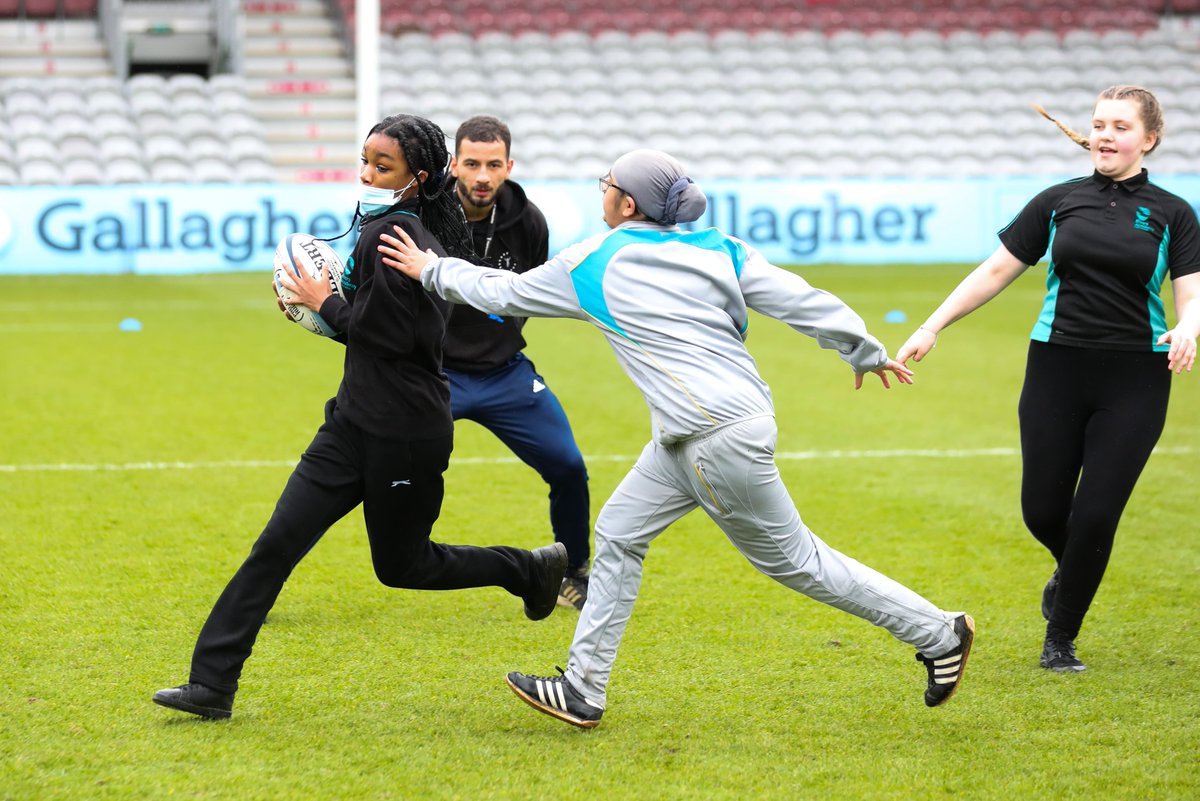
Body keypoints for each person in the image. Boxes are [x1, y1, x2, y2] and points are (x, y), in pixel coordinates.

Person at [380, 148, 975, 729]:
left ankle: (939, 633)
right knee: (617, 533)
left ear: (628, 202)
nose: (601, 190)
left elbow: (501, 294)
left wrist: (430, 268)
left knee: (799, 563)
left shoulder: (597, 258)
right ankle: (583, 690)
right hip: (701, 430)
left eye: (606, 183)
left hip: (713, 435)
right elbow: (804, 301)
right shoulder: (722, 247)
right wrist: (865, 352)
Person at [152, 114, 568, 721]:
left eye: (383, 166)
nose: (368, 174)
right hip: (350, 424)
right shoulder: (394, 227)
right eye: (366, 161)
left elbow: (397, 335)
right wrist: (325, 311)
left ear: (417, 177)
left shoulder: (401, 235)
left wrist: (325, 305)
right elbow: (376, 326)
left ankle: (526, 569)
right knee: (275, 546)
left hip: (404, 434)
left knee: (404, 566)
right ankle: (211, 686)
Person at [896, 85, 1200, 673]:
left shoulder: (1173, 213)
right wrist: (933, 326)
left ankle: (1060, 637)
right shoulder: (1057, 201)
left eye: (1120, 126)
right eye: (1098, 124)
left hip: (1136, 375)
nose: (1106, 135)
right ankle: (1076, 568)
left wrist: (1189, 327)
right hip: (1055, 367)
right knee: (1041, 509)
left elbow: (1191, 293)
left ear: (1149, 140)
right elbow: (995, 270)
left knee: (1095, 515)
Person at [445, 115, 592, 610]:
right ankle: (271, 575)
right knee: (358, 466)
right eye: (471, 164)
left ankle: (572, 571)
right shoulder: (424, 216)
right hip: (434, 375)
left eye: (492, 165)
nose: (482, 176)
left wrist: (498, 339)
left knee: (568, 466)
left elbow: (527, 296)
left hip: (505, 375)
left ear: (508, 166)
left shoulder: (528, 222)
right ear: (454, 165)